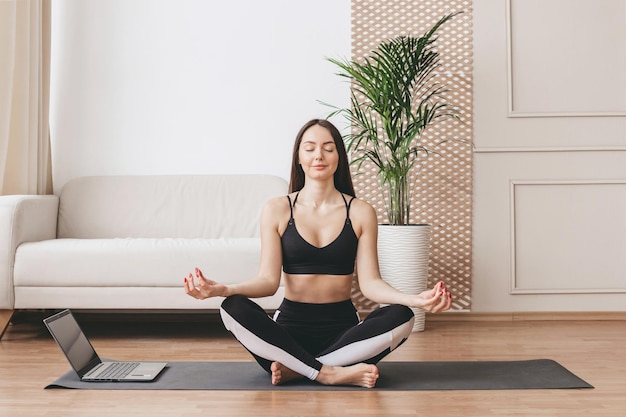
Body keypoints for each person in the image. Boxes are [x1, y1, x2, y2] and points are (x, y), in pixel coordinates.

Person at [184, 118, 452, 388]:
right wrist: (222, 289)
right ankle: (329, 372)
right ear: (298, 157)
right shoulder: (277, 209)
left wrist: (414, 299)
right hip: (286, 335)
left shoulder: (360, 211)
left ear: (339, 157)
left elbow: (370, 284)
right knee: (231, 307)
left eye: (328, 148)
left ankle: (300, 369)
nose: (318, 156)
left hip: (345, 336)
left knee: (402, 315)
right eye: (310, 148)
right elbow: (267, 281)